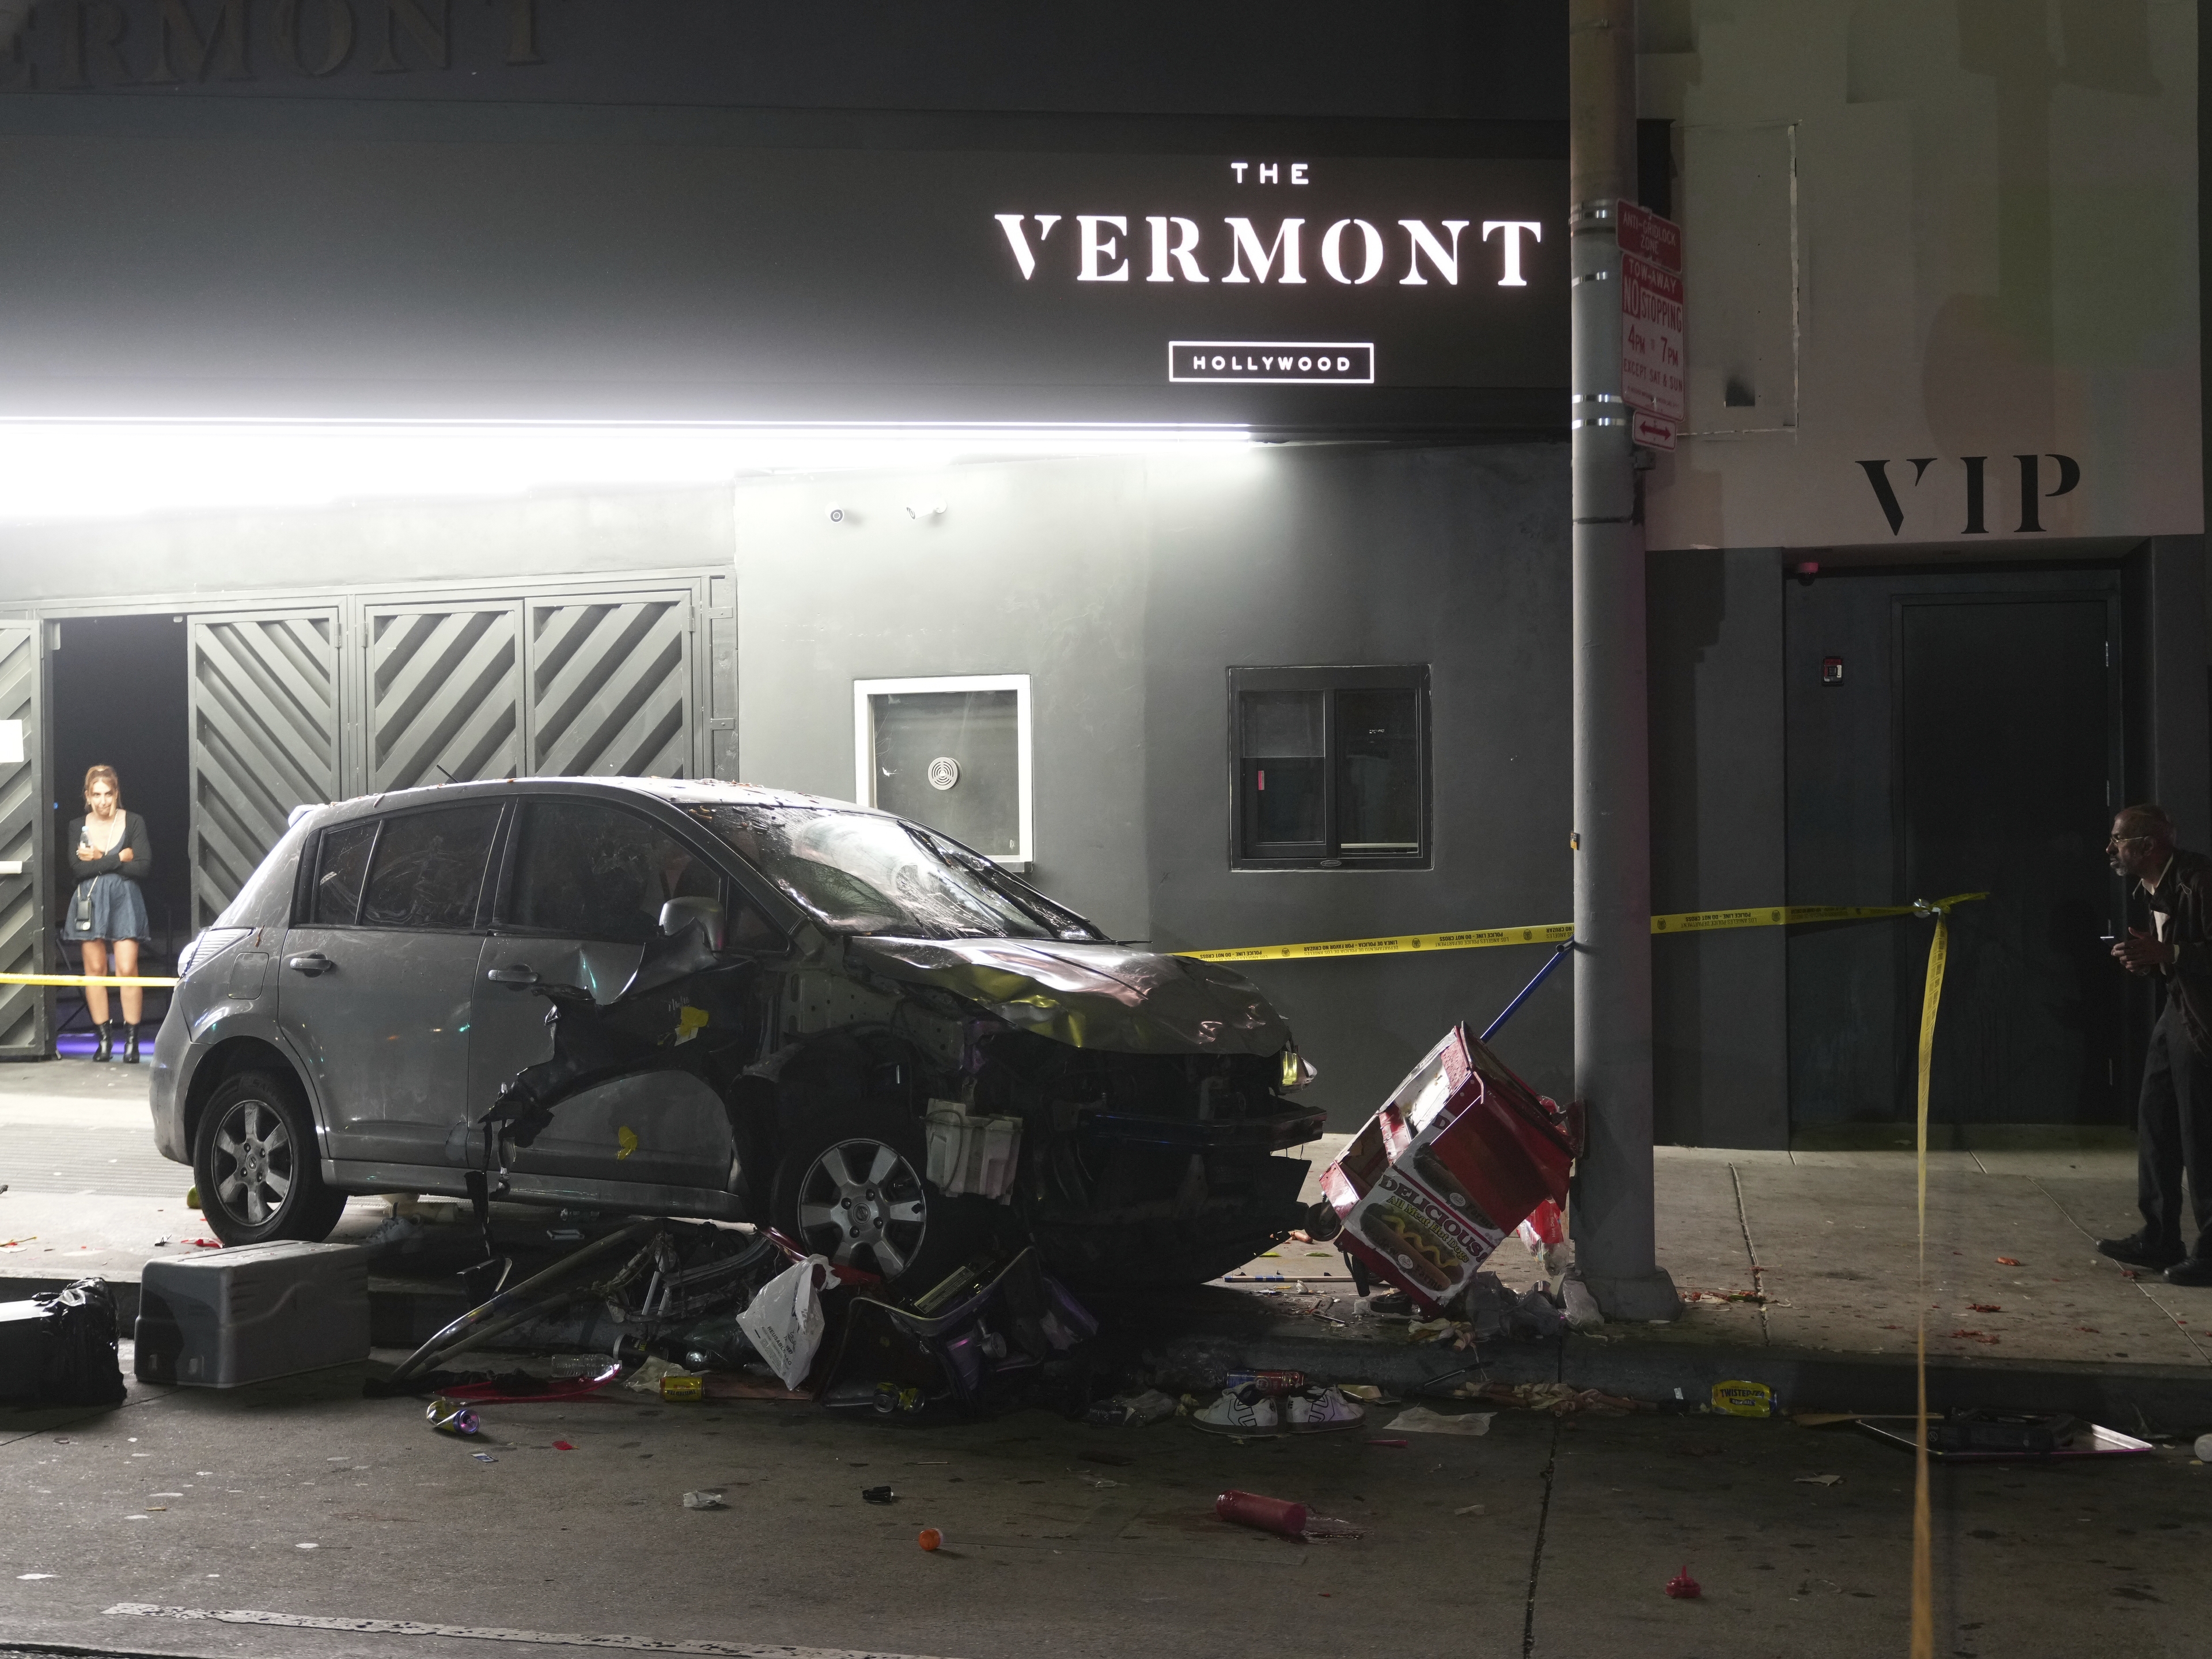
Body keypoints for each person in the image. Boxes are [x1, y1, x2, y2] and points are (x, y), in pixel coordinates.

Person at [2099, 804, 2212, 1285]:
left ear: (2148, 845)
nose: (2110, 850)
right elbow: (2176, 957)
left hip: (2203, 1019)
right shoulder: (2153, 886)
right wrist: (2148, 961)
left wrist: (2170, 953)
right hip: (2177, 1008)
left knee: (2200, 1135)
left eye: (2118, 840)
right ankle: (2160, 1236)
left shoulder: (2200, 881)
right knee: (2156, 1120)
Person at [60, 764, 153, 1064]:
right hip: (89, 900)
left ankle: (132, 1042)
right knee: (95, 971)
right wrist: (115, 858)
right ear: (88, 796)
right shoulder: (78, 826)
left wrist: (99, 860)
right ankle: (104, 1041)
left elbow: (142, 866)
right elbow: (77, 870)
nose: (103, 801)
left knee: (127, 969)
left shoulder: (134, 821)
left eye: (108, 794)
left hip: (125, 899)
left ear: (117, 794)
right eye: (96, 794)